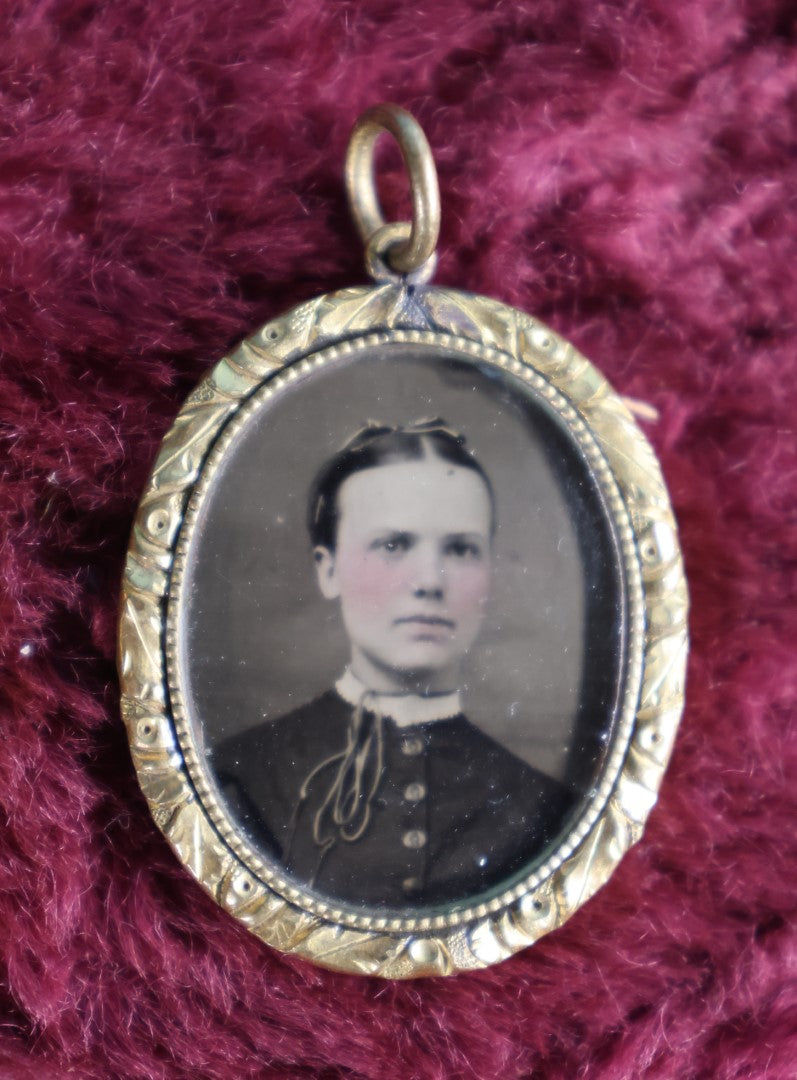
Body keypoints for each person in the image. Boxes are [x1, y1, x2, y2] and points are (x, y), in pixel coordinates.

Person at [215, 419, 577, 909]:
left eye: (460, 549)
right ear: (328, 569)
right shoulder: (244, 779)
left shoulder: (542, 809)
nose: (429, 580)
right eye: (393, 545)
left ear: (490, 570)